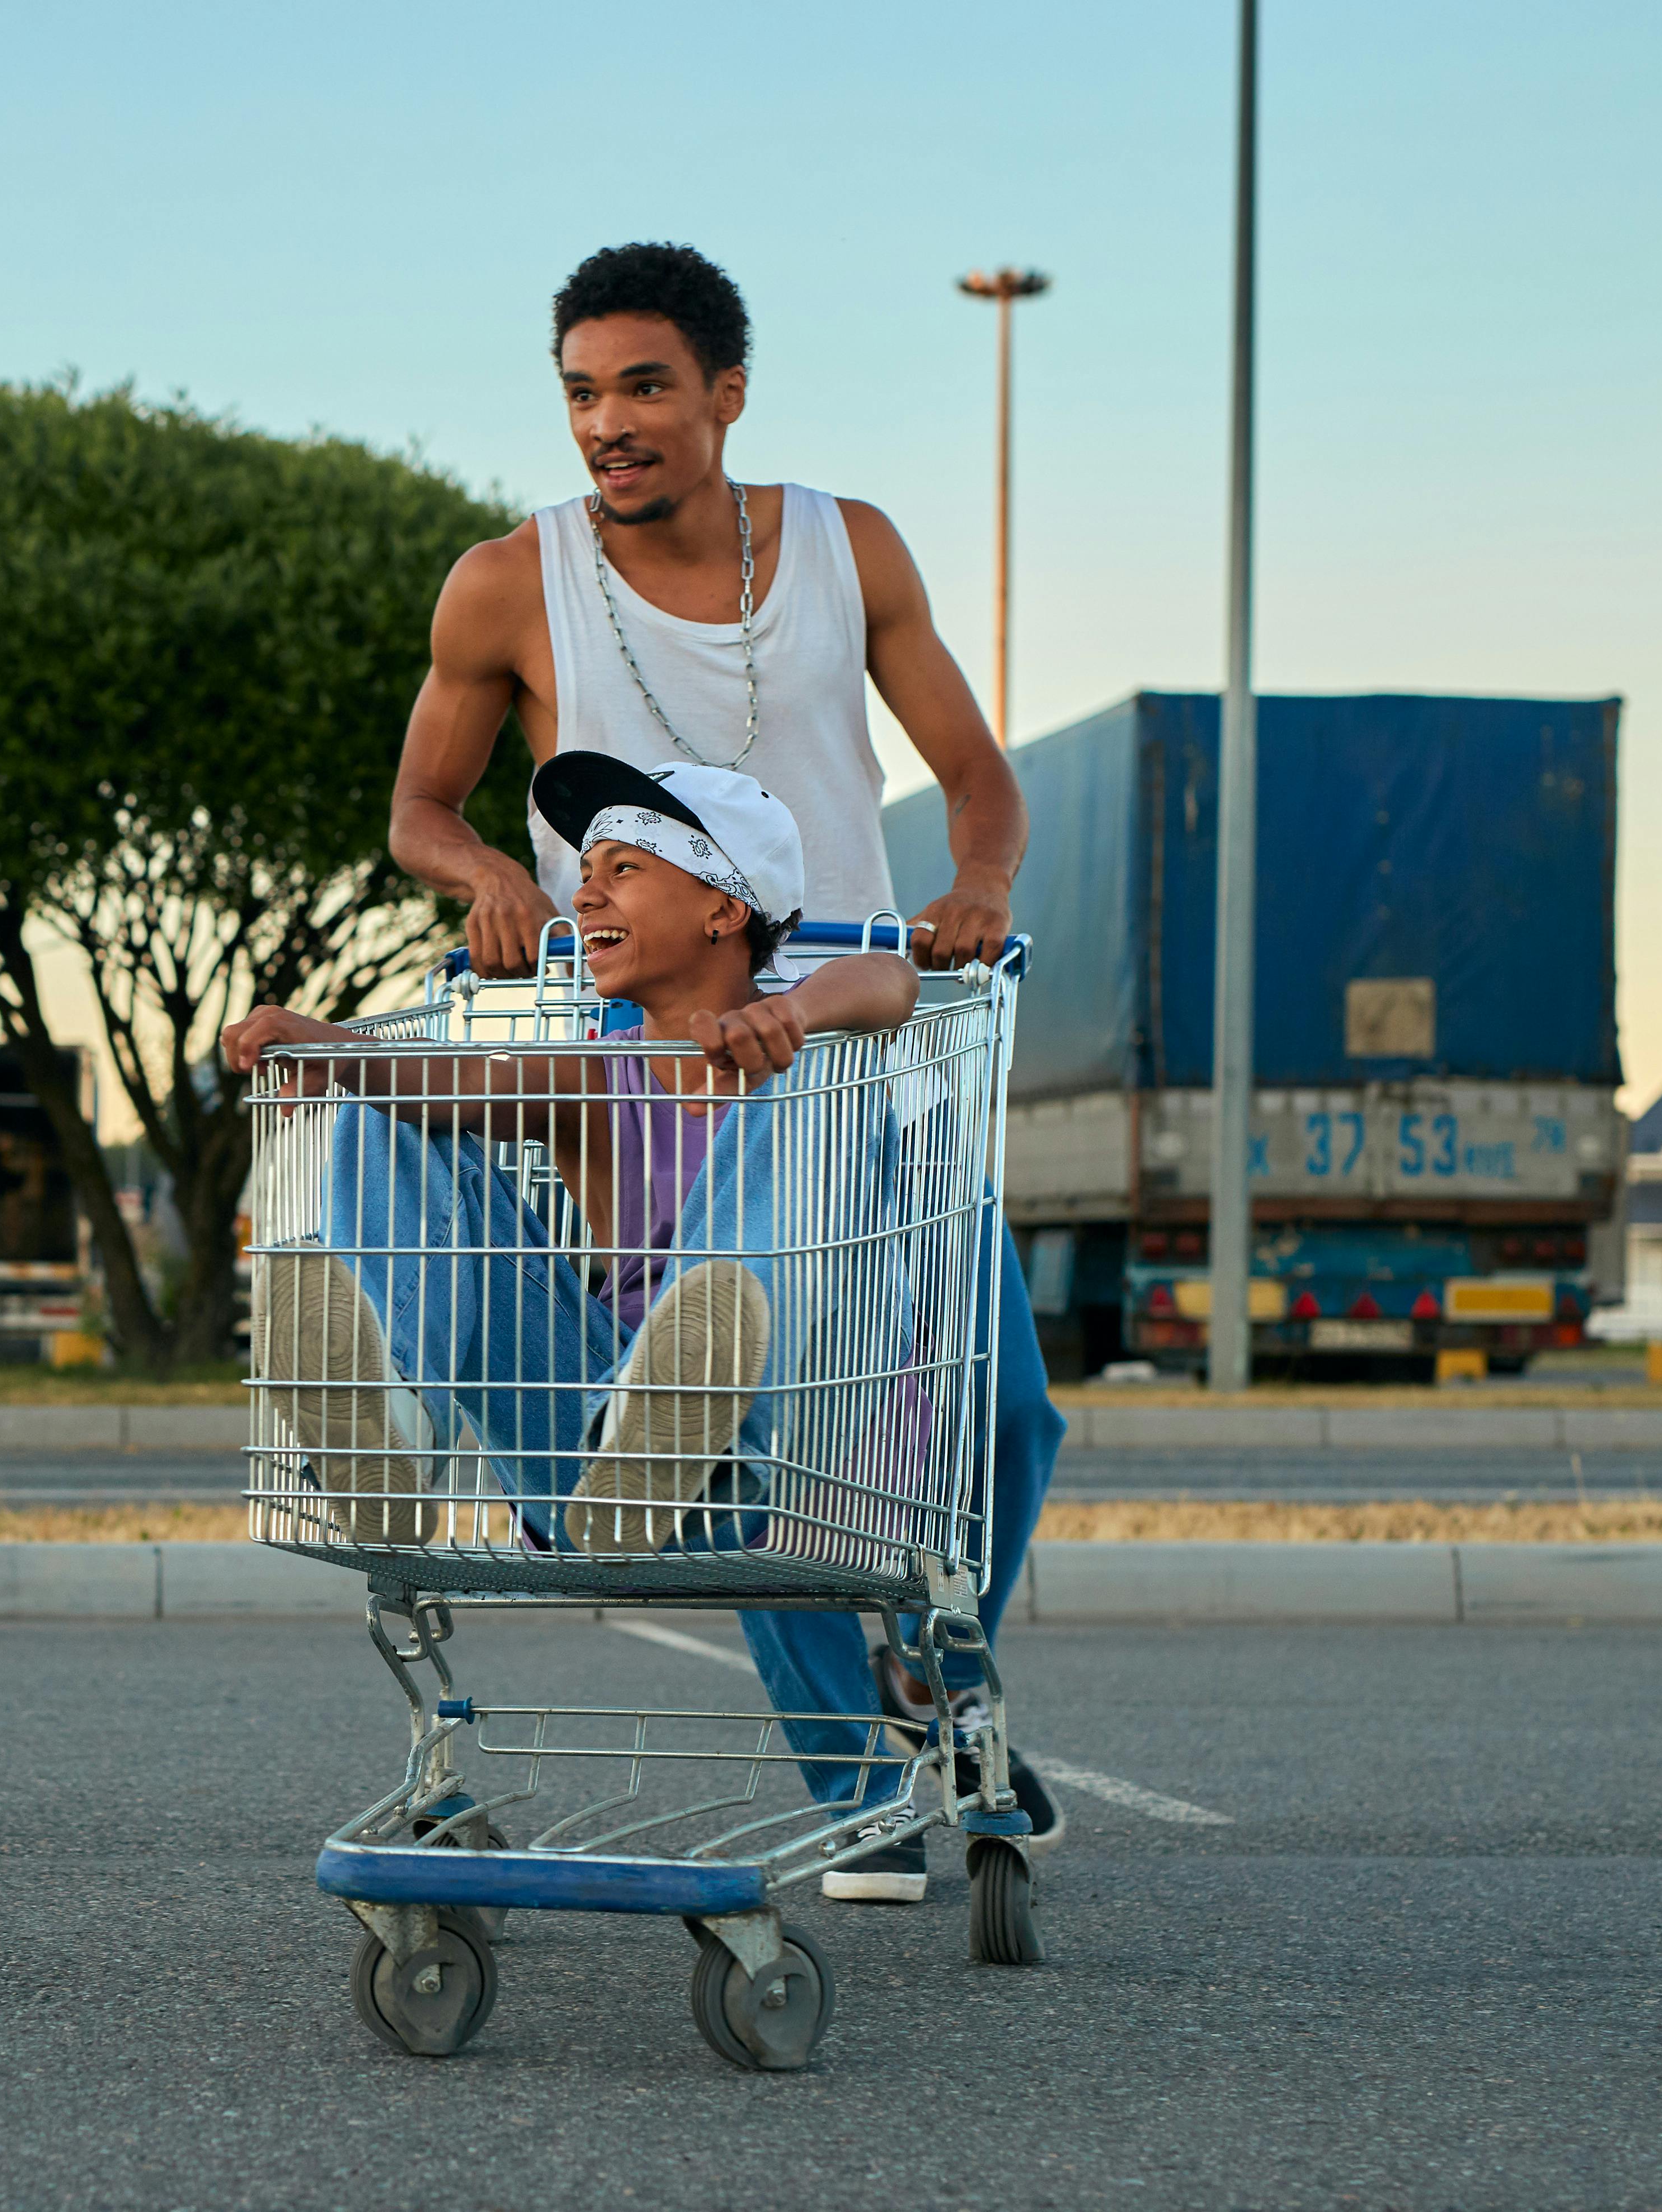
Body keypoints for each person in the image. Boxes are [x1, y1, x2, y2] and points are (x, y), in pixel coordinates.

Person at [379, 241, 1065, 1901]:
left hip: (863, 1031)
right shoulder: (503, 583)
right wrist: (478, 872)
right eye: (580, 393)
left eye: (642, 387)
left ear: (724, 393)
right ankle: (866, 1792)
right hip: (665, 1061)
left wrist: (977, 887)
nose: (606, 423)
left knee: (1006, 1403)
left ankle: (936, 1666)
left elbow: (974, 773)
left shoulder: (849, 549)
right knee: (751, 1407)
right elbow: (420, 806)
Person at [226, 755, 917, 1561]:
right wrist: (336, 1050)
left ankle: (695, 1427)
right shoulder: (593, 1073)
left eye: (623, 869)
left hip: (763, 1463)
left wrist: (793, 1018)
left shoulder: (808, 1050)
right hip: (586, 1467)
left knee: (830, 1061)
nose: (584, 895)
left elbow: (890, 978)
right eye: (584, 872)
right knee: (389, 1091)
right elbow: (450, 1089)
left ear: (724, 909)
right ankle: (393, 1433)